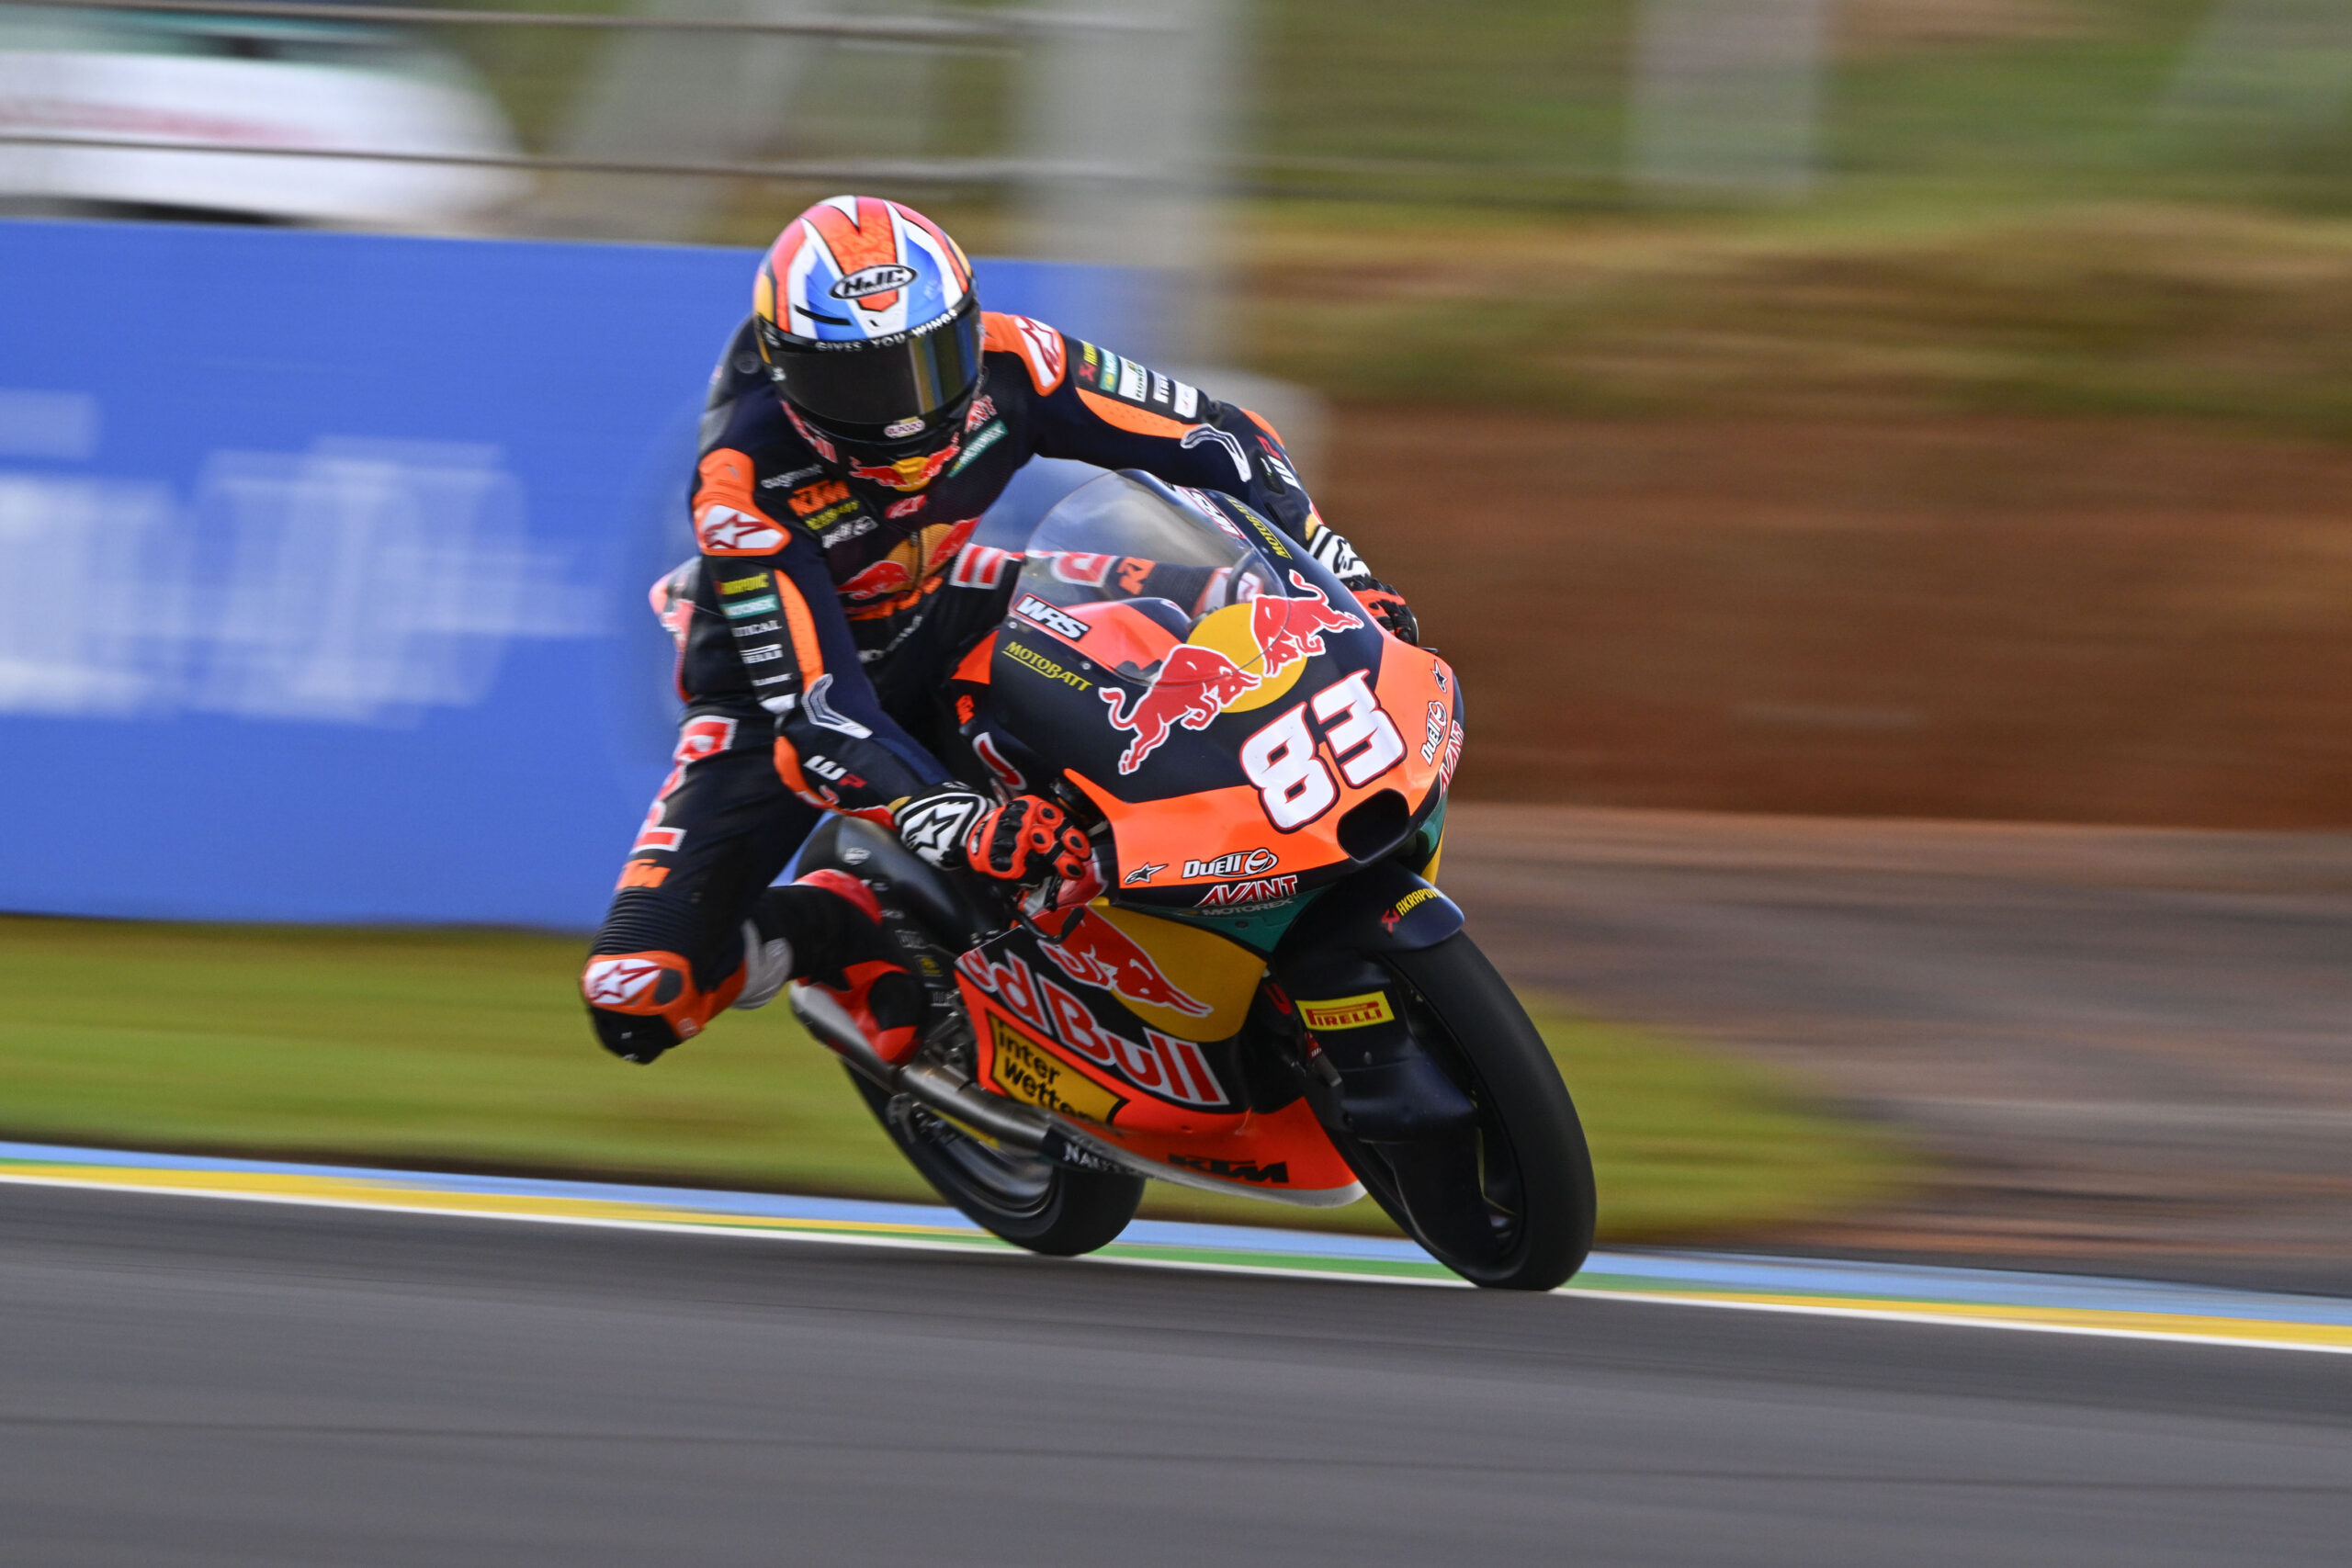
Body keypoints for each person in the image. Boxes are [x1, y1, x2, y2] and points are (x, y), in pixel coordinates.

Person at [581, 195, 1416, 1066]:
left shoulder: (1019, 358)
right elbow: (820, 714)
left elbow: (1222, 439)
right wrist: (955, 818)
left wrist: (1340, 571)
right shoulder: (744, 482)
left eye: (929, 363)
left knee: (1224, 599)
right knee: (636, 993)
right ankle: (838, 930)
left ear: (969, 328)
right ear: (790, 377)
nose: (905, 415)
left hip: (952, 603)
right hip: (776, 700)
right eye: (861, 384)